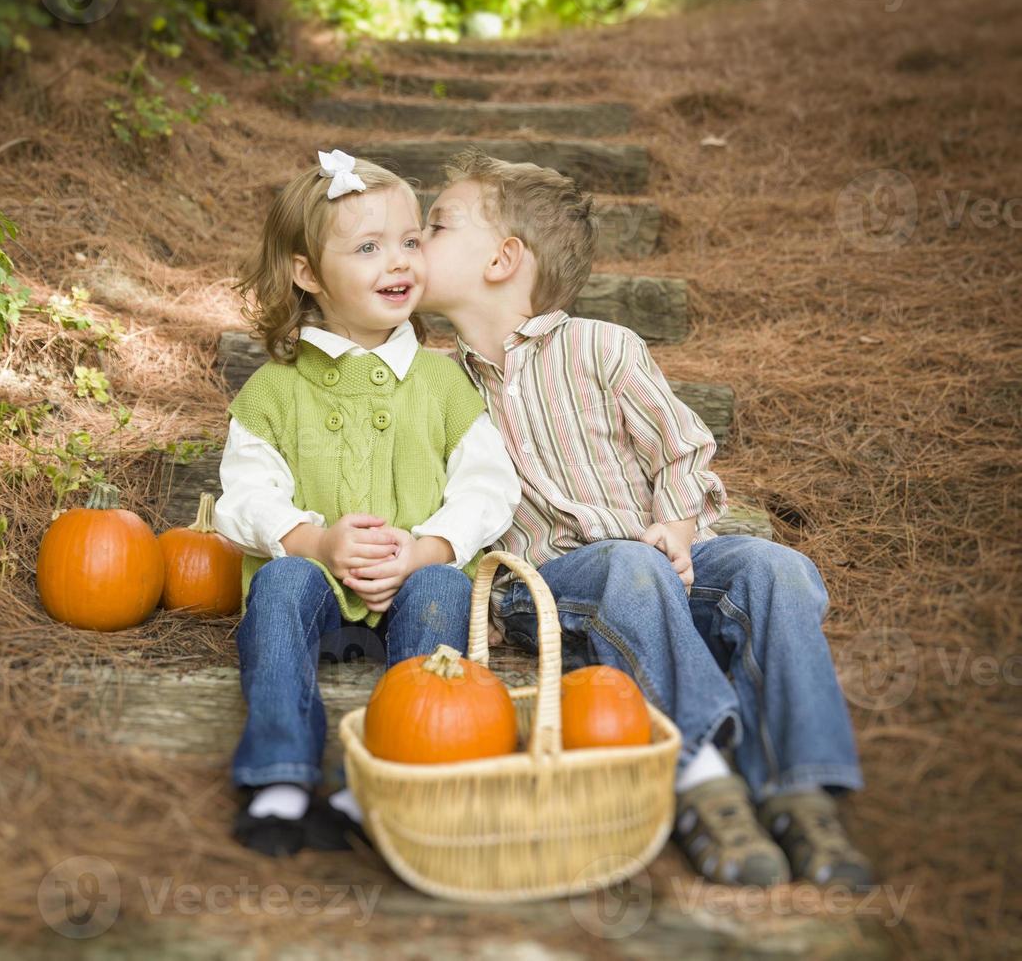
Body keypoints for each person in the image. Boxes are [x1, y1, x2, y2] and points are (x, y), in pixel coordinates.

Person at [406, 148, 873, 889]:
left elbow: (681, 455)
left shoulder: (604, 349)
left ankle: (799, 792)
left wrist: (680, 527)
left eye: (433, 226)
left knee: (772, 566)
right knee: (629, 565)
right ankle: (702, 779)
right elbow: (433, 507)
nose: (413, 242)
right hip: (548, 586)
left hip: (665, 559)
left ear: (502, 260)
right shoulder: (431, 384)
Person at [213, 149, 521, 858]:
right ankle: (281, 780)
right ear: (307, 273)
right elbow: (243, 495)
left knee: (445, 588)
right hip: (315, 584)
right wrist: (312, 542)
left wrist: (429, 547)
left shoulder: (443, 386)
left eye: (411, 242)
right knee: (281, 582)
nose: (400, 262)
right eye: (369, 247)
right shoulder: (274, 390)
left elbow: (487, 484)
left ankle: (391, 774)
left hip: (410, 581)